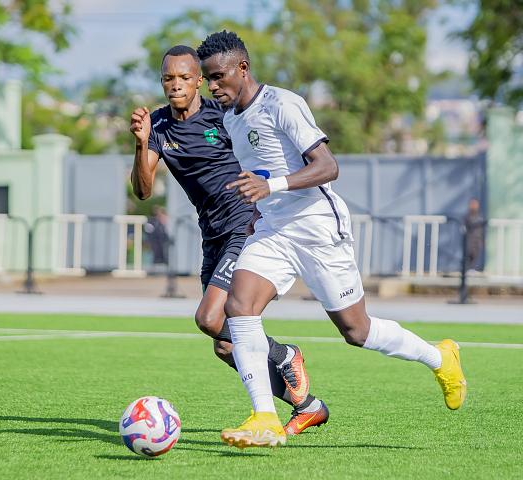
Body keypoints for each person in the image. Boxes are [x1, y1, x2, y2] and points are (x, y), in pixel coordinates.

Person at [197, 31, 467, 449]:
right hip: (273, 231)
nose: (213, 86)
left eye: (218, 77)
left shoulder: (282, 104)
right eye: (208, 79)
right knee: (238, 307)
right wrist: (258, 212)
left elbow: (327, 166)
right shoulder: (231, 119)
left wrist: (273, 186)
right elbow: (262, 173)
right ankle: (264, 417)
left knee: (357, 331)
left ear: (243, 68)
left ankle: (440, 357)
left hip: (318, 228)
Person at [130, 45, 329, 434]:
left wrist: (269, 203)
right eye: (168, 78)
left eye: (184, 77)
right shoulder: (158, 126)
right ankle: (307, 404)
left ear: (198, 81)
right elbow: (142, 191)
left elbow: (261, 154)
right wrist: (141, 143)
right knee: (224, 344)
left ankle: (282, 354)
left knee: (209, 318)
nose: (176, 85)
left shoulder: (222, 116)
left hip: (245, 225)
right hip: (212, 235)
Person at [464, 198, 485, 273]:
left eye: (475, 204)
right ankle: (467, 269)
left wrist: (482, 240)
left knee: (475, 254)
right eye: (472, 204)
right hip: (469, 239)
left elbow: (482, 230)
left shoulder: (480, 216)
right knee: (469, 255)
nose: (474, 206)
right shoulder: (467, 216)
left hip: (477, 240)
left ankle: (472, 269)